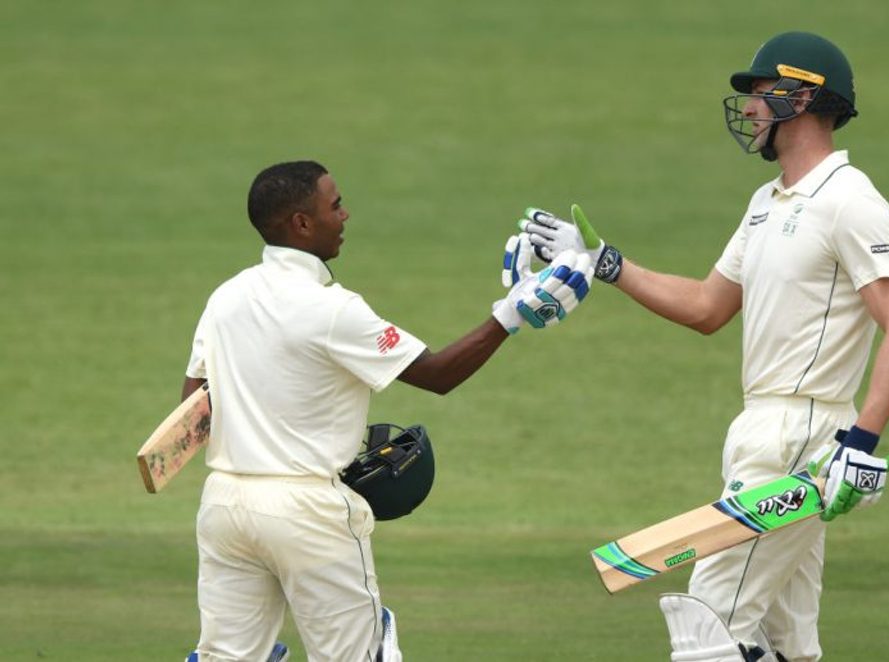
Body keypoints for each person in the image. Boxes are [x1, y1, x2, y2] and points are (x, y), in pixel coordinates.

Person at [519, 32, 889, 661]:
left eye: (763, 93)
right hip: (761, 429)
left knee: (707, 624)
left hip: (804, 435)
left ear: (804, 96)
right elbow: (708, 307)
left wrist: (862, 444)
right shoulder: (766, 204)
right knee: (787, 643)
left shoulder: (850, 202)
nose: (752, 107)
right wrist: (603, 261)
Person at [180, 160, 593, 662]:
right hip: (307, 511)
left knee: (225, 658)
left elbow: (192, 410)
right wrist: (511, 313)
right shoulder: (333, 309)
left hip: (223, 506)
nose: (345, 214)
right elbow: (438, 375)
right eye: (334, 206)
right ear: (301, 224)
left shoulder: (225, 297)